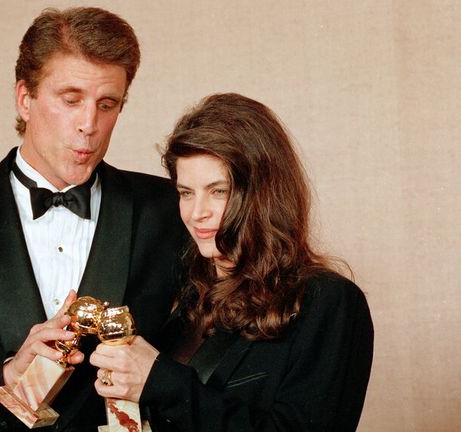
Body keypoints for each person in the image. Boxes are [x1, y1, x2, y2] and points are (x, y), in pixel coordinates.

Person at [0, 7, 186, 431]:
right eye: (71, 99)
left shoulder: (173, 210)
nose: (89, 125)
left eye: (107, 104)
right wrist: (8, 373)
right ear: (25, 98)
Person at [90, 93, 374, 431]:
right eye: (186, 193)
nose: (197, 213)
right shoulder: (189, 296)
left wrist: (161, 382)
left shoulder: (329, 302)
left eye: (218, 191)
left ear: (262, 192)